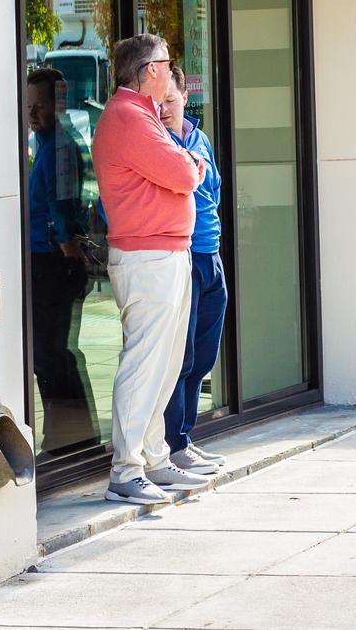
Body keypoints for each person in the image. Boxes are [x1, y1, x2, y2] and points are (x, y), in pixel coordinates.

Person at [92, 32, 205, 507]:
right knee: (144, 363)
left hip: (165, 253)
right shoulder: (128, 116)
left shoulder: (144, 116)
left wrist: (188, 163)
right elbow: (184, 173)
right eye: (166, 61)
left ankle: (154, 457)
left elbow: (184, 166)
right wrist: (189, 164)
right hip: (148, 257)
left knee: (166, 363)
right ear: (150, 70)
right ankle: (127, 467)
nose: (170, 68)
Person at [160, 63, 230, 476]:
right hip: (181, 256)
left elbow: (214, 189)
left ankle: (186, 437)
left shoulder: (199, 138)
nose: (164, 108)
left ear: (185, 97)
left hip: (210, 255)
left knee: (204, 356)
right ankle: (174, 444)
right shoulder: (157, 141)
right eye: (159, 101)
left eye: (171, 99)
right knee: (180, 358)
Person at [24, 68, 97, 453]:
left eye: (40, 106)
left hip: (52, 263)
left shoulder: (59, 147)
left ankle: (68, 444)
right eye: (28, 106)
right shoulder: (48, 143)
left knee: (51, 355)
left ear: (57, 105)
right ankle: (70, 440)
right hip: (46, 261)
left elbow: (61, 206)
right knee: (53, 355)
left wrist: (69, 254)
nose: (32, 113)